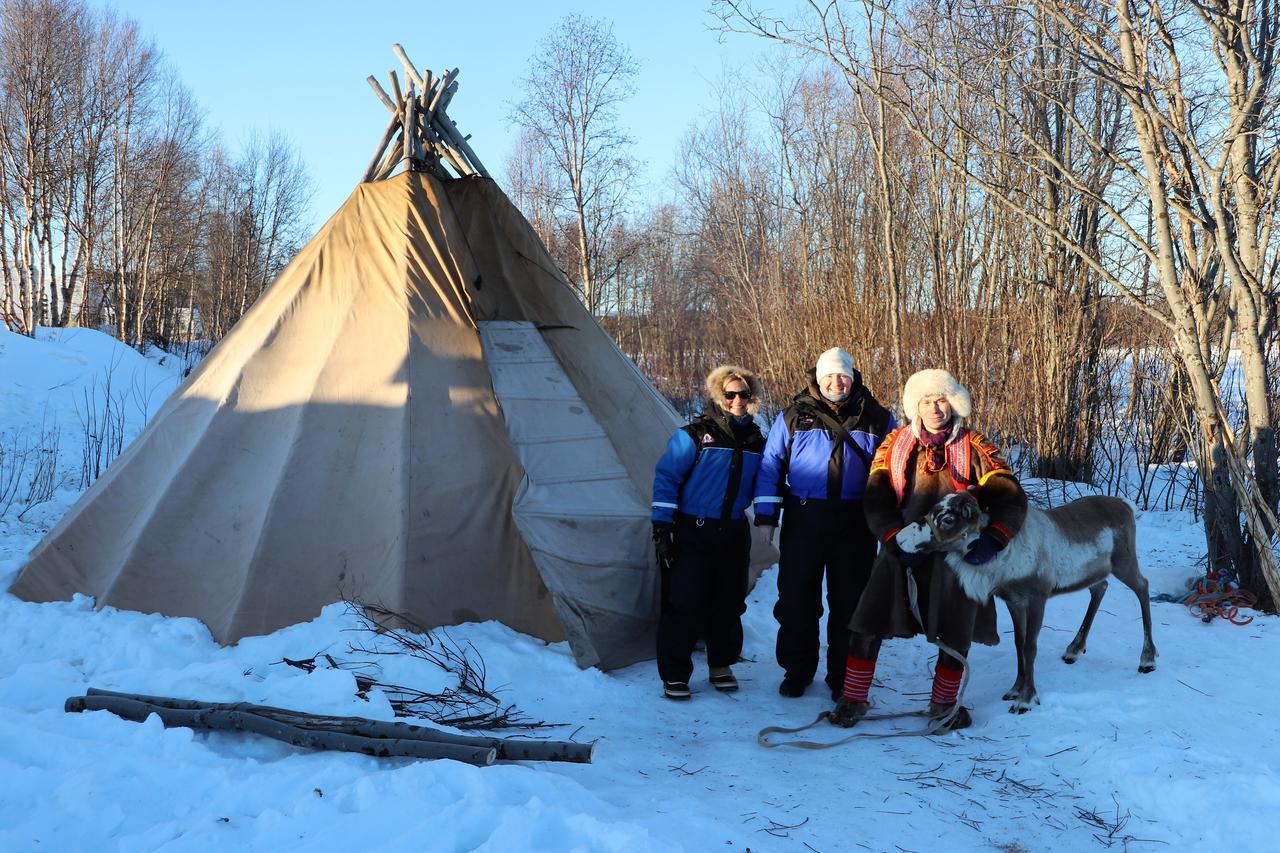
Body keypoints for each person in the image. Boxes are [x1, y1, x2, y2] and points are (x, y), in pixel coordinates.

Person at [831, 369, 1028, 731]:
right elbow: (876, 499)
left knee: (956, 632)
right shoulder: (895, 444)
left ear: (953, 403)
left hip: (957, 560)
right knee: (868, 623)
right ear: (915, 406)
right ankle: (853, 699)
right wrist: (892, 538)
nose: (935, 408)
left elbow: (1010, 498)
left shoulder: (976, 446)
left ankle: (944, 706)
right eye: (926, 401)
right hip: (902, 551)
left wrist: (994, 539)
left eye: (940, 399)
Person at [753, 348, 895, 699]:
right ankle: (797, 670)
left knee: (850, 602)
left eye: (842, 375)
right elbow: (771, 465)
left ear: (853, 376)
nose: (836, 382)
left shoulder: (877, 418)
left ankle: (843, 676)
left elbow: (894, 471)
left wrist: (889, 521)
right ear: (818, 378)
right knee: (797, 600)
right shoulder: (794, 416)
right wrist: (767, 517)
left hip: (855, 521)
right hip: (805, 518)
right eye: (829, 376)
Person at [651, 365, 767, 700]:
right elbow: (667, 478)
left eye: (744, 394)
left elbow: (766, 481)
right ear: (718, 396)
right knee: (685, 601)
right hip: (693, 529)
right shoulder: (694, 434)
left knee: (729, 601)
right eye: (730, 394)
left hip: (732, 529)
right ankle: (675, 673)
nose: (737, 400)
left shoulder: (756, 440)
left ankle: (721, 664)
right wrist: (662, 526)